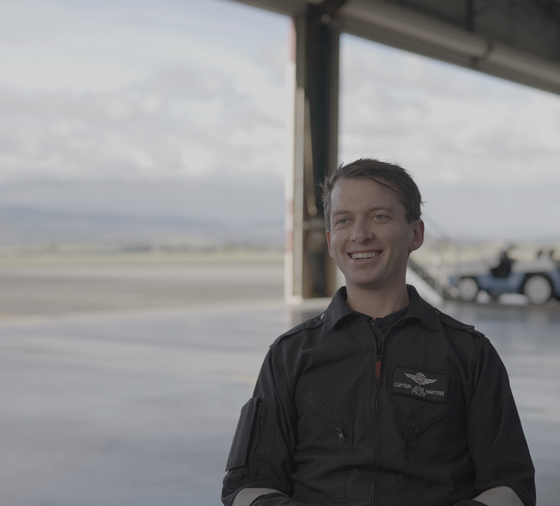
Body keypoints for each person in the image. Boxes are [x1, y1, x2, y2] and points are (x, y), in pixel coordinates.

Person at [221, 158, 535, 506]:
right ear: (331, 241)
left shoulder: (470, 354)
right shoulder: (289, 356)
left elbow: (511, 486)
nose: (360, 234)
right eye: (344, 220)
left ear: (415, 233)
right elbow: (246, 487)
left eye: (379, 216)